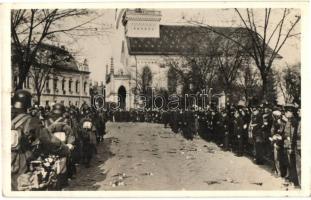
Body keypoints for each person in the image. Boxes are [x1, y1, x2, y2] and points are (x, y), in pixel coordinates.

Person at [11, 90, 70, 191]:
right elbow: (49, 140)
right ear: (28, 104)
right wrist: (64, 149)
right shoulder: (31, 121)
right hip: (19, 164)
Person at [44, 103, 76, 188]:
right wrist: (70, 143)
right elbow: (71, 133)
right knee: (68, 159)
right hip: (61, 145)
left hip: (52, 145)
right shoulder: (66, 120)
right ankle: (67, 176)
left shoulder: (47, 120)